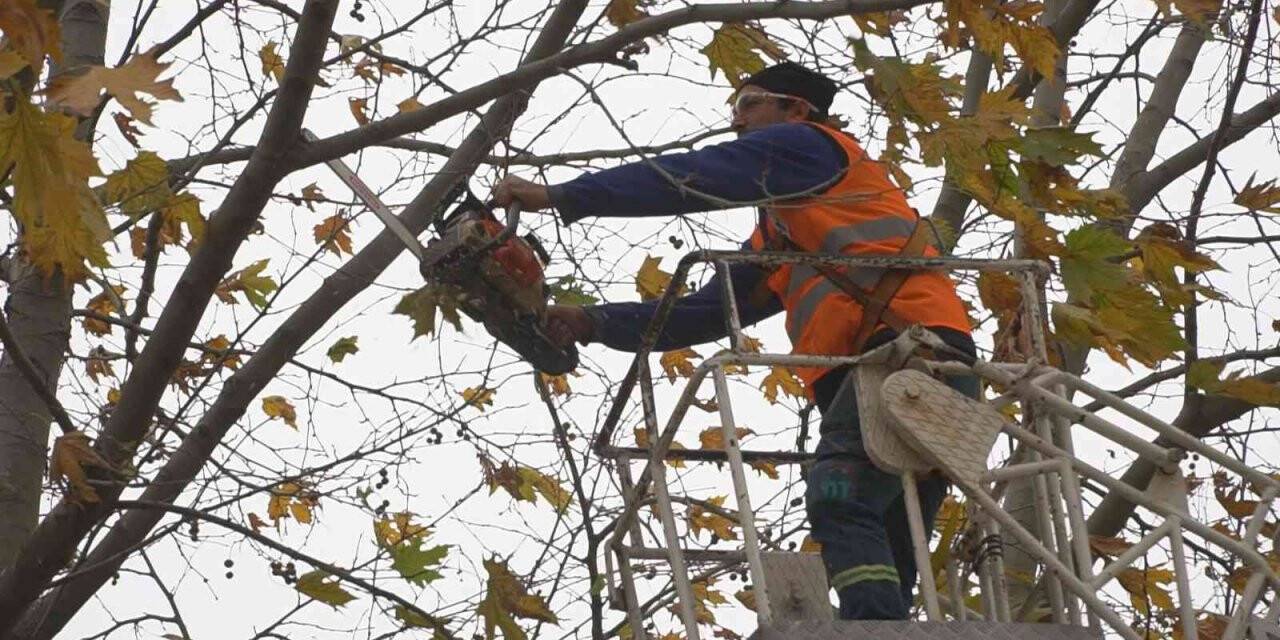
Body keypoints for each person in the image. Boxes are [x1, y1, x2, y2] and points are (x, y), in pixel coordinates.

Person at [491, 61, 977, 620]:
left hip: (911, 359)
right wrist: (593, 323)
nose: (737, 122)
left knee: (836, 497)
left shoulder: (810, 146)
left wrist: (559, 195)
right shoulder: (791, 225)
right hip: (897, 373)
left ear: (795, 108)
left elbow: (698, 174)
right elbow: (709, 309)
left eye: (749, 104)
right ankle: (881, 626)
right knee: (892, 533)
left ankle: (870, 631)